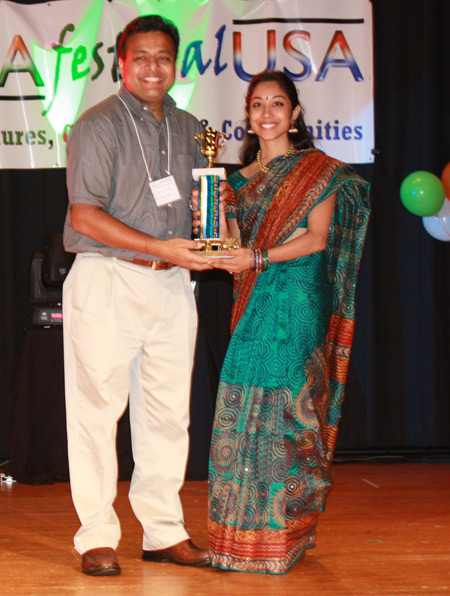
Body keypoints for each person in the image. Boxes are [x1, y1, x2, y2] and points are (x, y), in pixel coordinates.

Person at [62, 15, 216, 576]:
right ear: (121, 63)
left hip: (173, 282)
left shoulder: (191, 127)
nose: (154, 67)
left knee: (169, 415)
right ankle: (97, 535)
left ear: (177, 64)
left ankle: (162, 530)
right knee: (97, 413)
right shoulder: (97, 124)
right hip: (108, 278)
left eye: (164, 57)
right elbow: (85, 215)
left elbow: (203, 208)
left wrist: (215, 241)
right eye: (142, 57)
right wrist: (164, 247)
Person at [205, 71, 371, 574]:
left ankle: (284, 535)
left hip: (298, 297)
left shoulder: (317, 171)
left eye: (279, 103)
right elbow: (231, 244)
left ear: (295, 113)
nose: (269, 113)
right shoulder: (236, 179)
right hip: (253, 299)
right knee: (243, 406)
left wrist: (255, 258)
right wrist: (213, 212)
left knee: (286, 412)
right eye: (258, 104)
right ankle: (238, 537)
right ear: (248, 114)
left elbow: (316, 238)